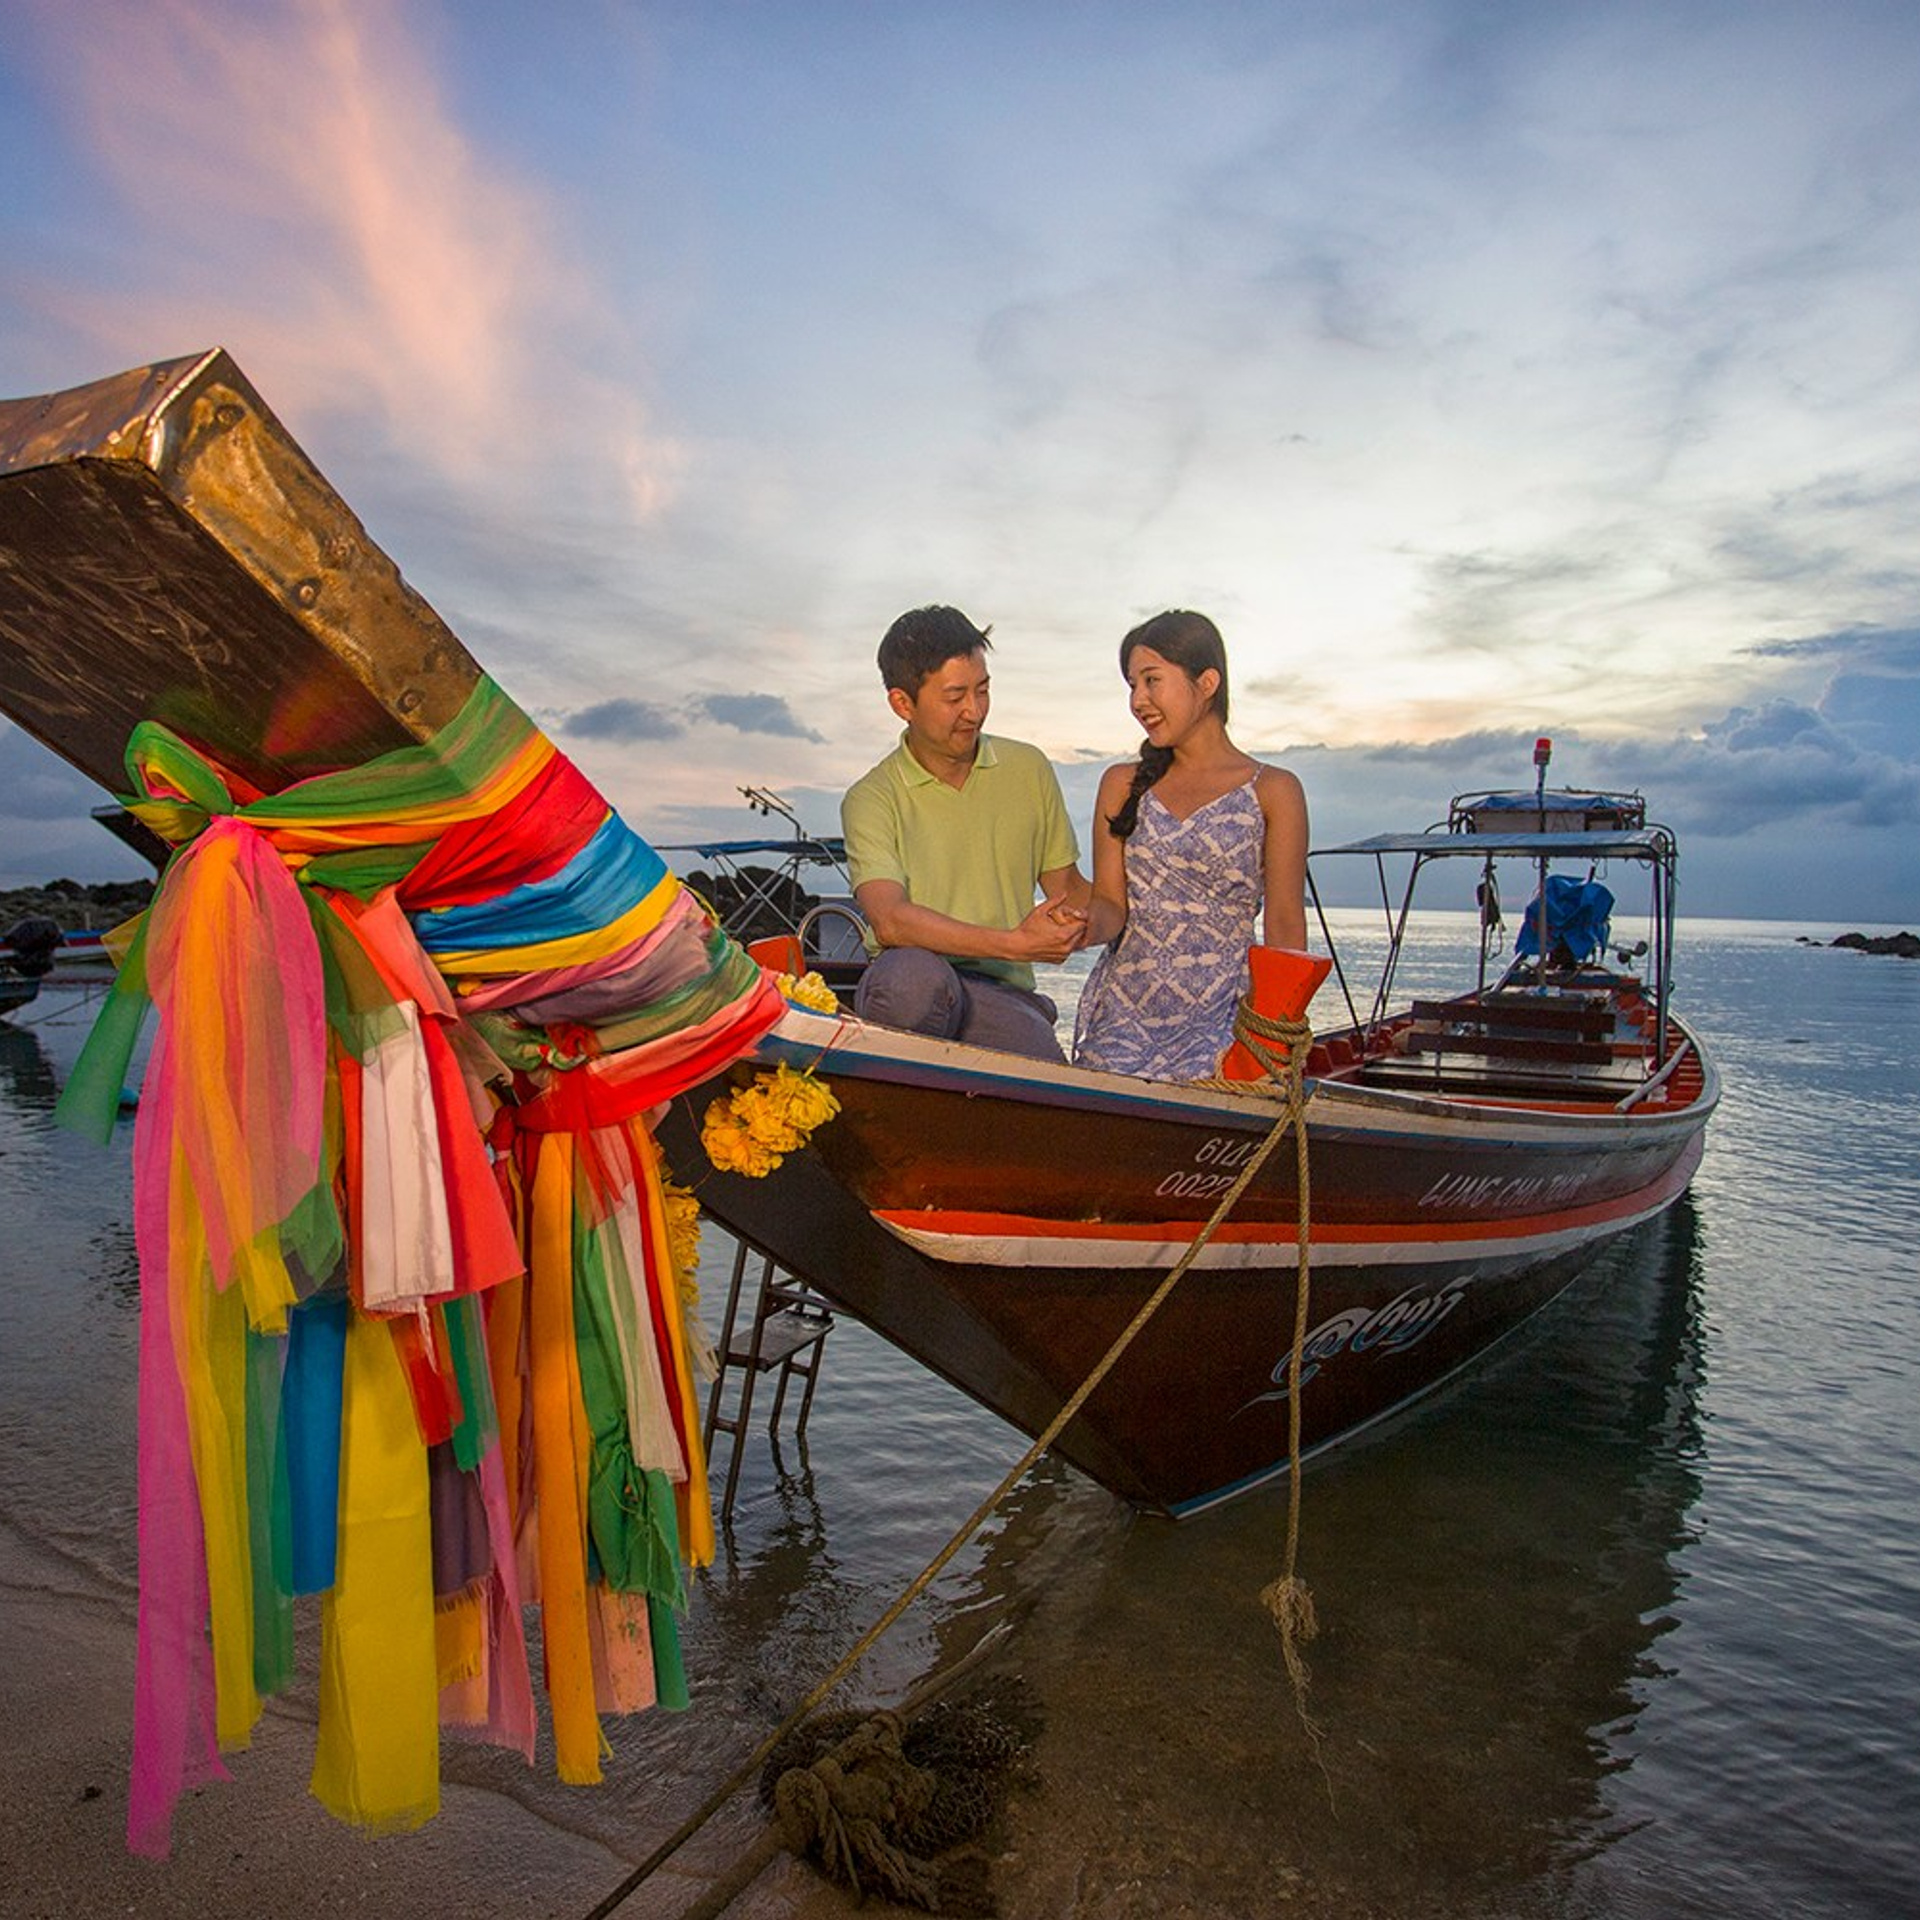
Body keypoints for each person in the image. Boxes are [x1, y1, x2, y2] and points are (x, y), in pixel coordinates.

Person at [840, 605, 1089, 1061]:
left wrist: (1136, 889)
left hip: (1001, 992)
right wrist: (1015, 943)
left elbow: (1068, 891)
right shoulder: (871, 797)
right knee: (912, 983)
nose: (974, 711)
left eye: (983, 689)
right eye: (955, 697)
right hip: (906, 977)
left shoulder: (1028, 768)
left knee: (1051, 1077)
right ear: (903, 703)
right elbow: (890, 919)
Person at [1072, 610, 1310, 1080]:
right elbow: (1109, 904)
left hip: (1224, 1015)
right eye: (1132, 685)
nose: (1138, 700)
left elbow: (1285, 923)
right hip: (1125, 1012)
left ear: (1207, 683)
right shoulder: (1122, 783)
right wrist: (1078, 928)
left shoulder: (1274, 790)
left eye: (1152, 680)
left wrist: (1275, 1040)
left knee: (1205, 1087)